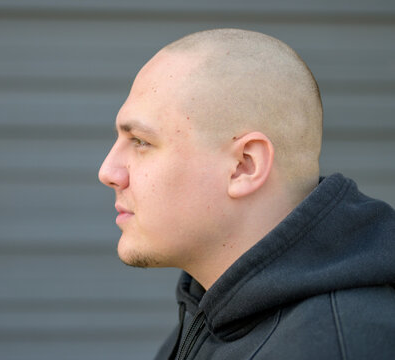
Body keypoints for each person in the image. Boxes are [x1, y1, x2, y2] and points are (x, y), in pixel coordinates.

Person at [98, 28, 395, 360]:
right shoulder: (211, 309)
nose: (108, 172)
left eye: (140, 141)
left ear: (244, 166)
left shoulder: (335, 346)